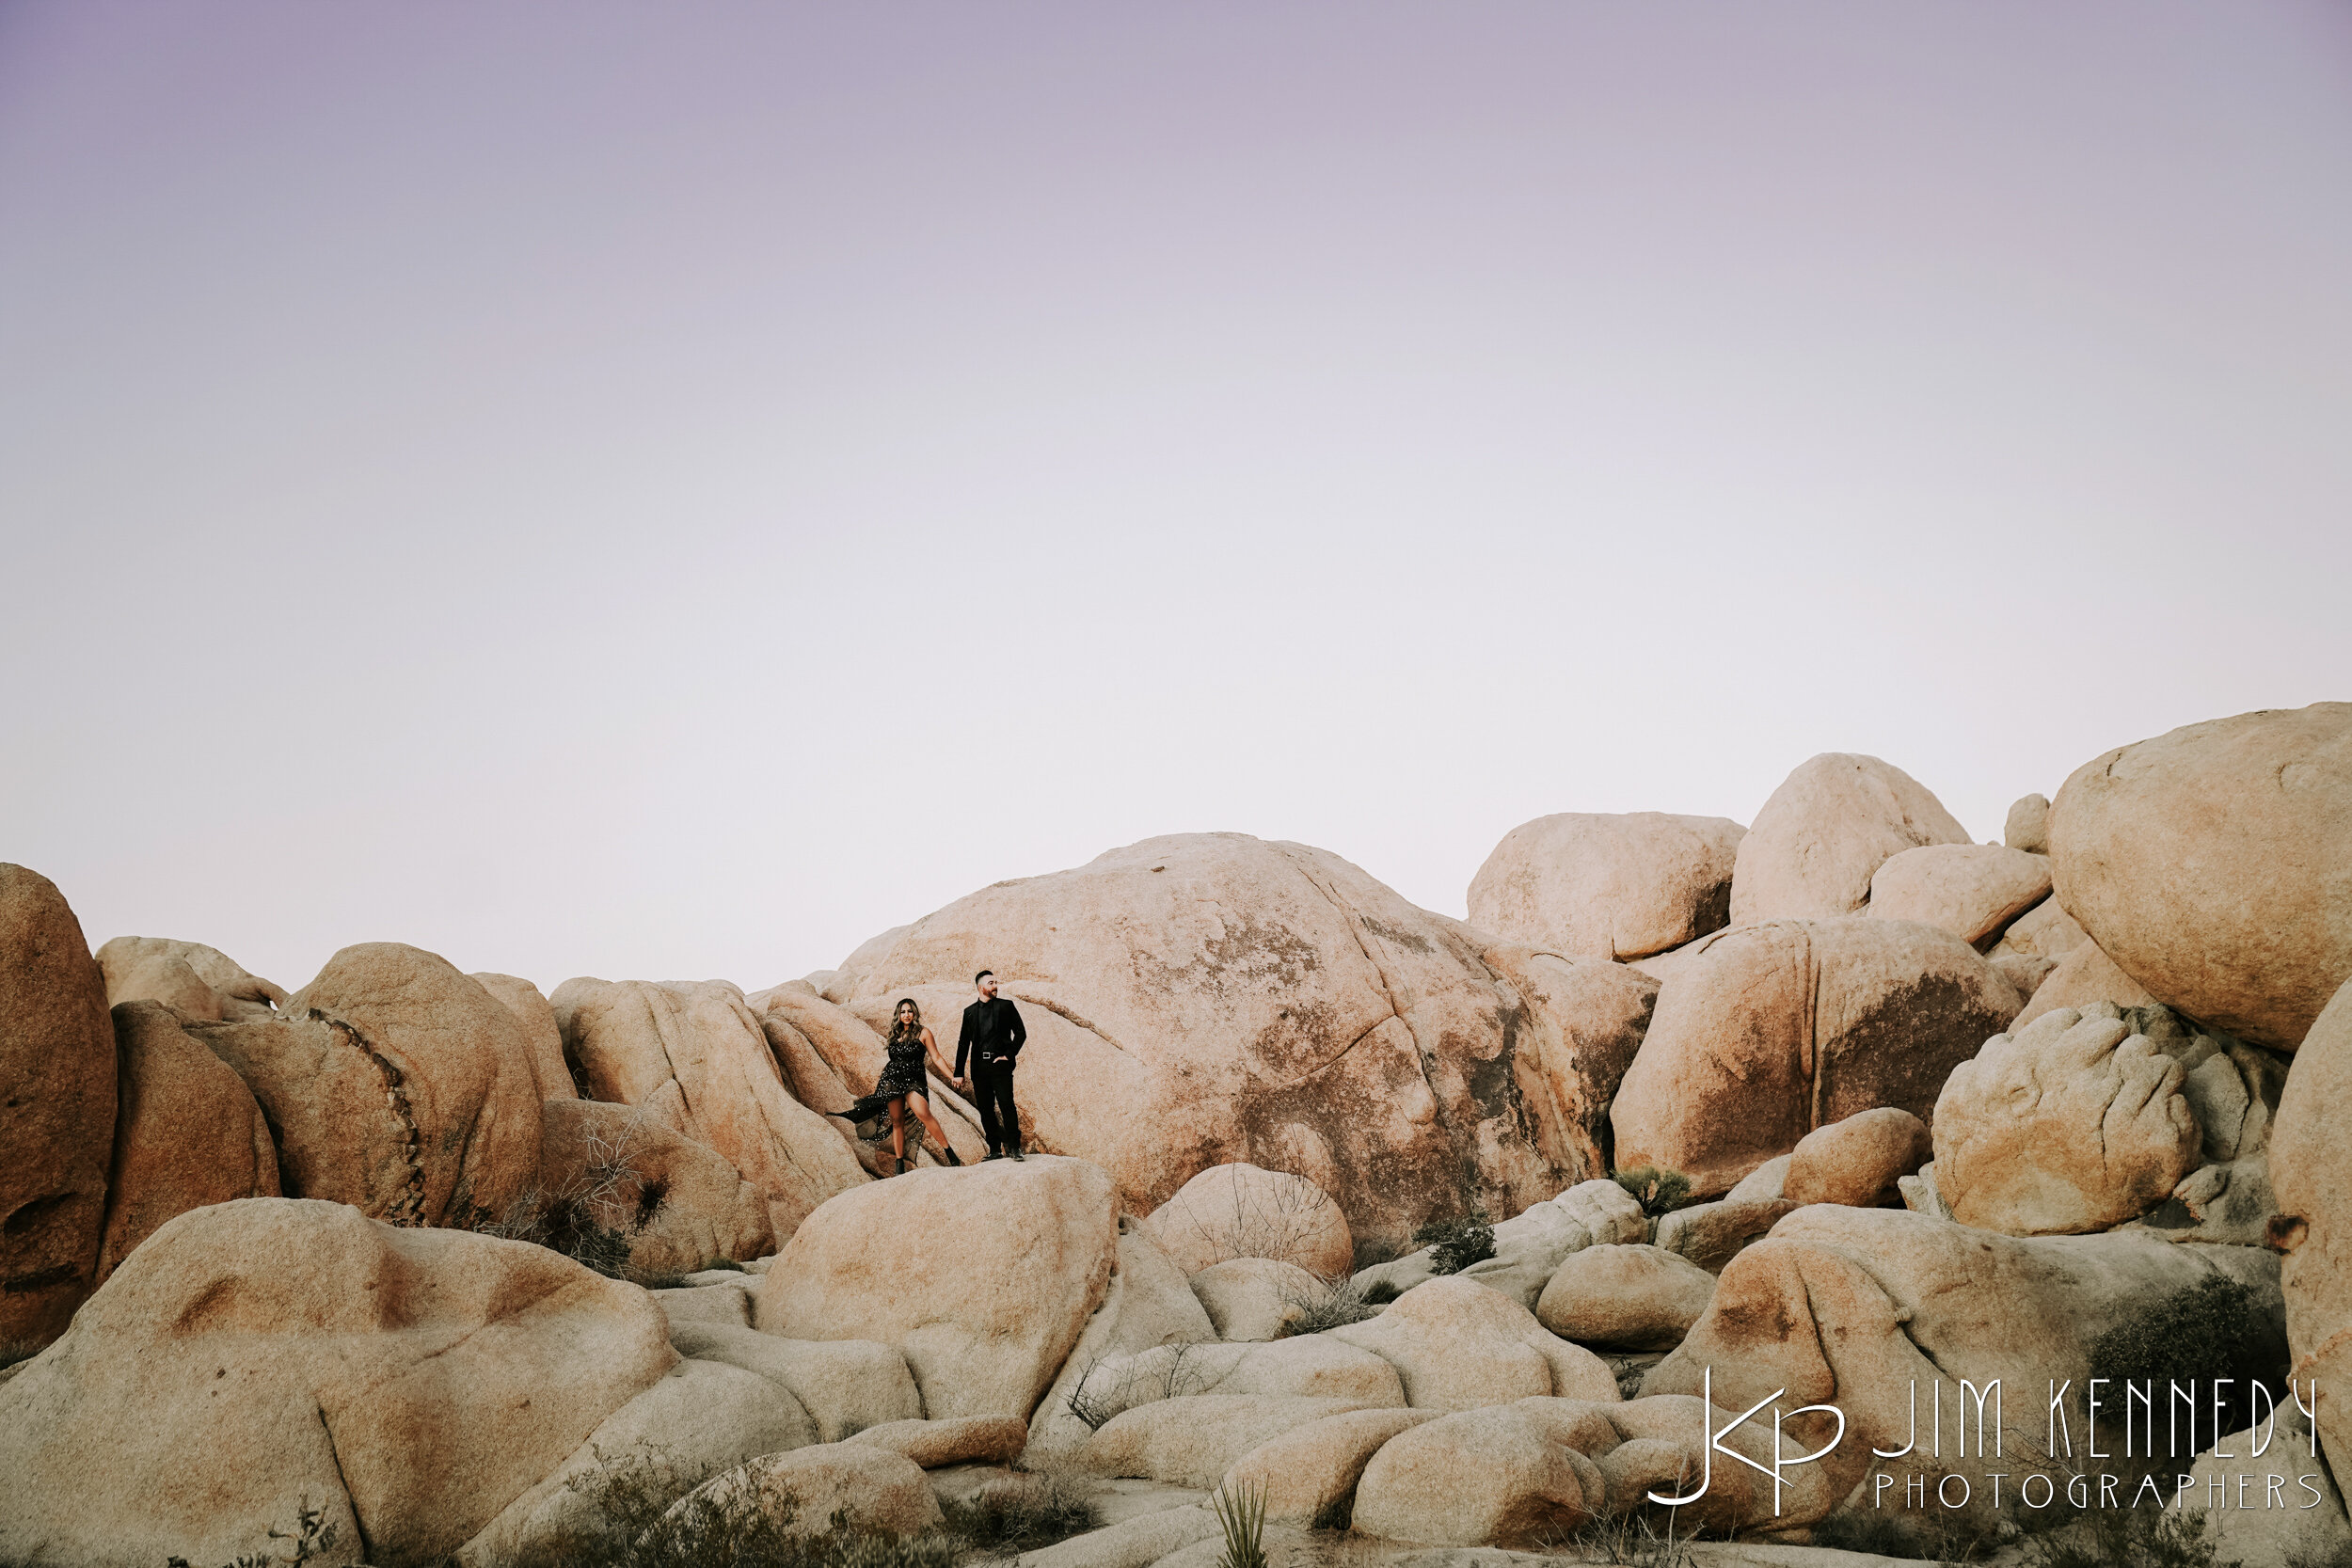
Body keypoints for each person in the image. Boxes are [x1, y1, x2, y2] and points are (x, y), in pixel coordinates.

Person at [841, 998, 963, 1176]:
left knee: (924, 1113)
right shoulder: (895, 1034)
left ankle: (950, 1153)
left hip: (914, 1079)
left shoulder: (924, 1033)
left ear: (915, 1013)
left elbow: (936, 1057)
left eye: (909, 1011)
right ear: (898, 1015)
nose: (906, 1015)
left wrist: (952, 1076)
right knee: (897, 1121)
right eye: (903, 1012)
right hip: (892, 1079)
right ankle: (899, 1164)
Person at [955, 969, 1027, 1160]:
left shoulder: (1006, 1006)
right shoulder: (969, 1012)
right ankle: (995, 1149)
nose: (995, 986)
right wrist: (958, 1072)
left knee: (1007, 1105)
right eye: (991, 983)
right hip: (979, 1068)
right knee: (986, 1109)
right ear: (980, 987)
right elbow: (963, 1043)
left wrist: (1008, 1055)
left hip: (1000, 1065)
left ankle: (1015, 1147)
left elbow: (1021, 1033)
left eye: (996, 982)